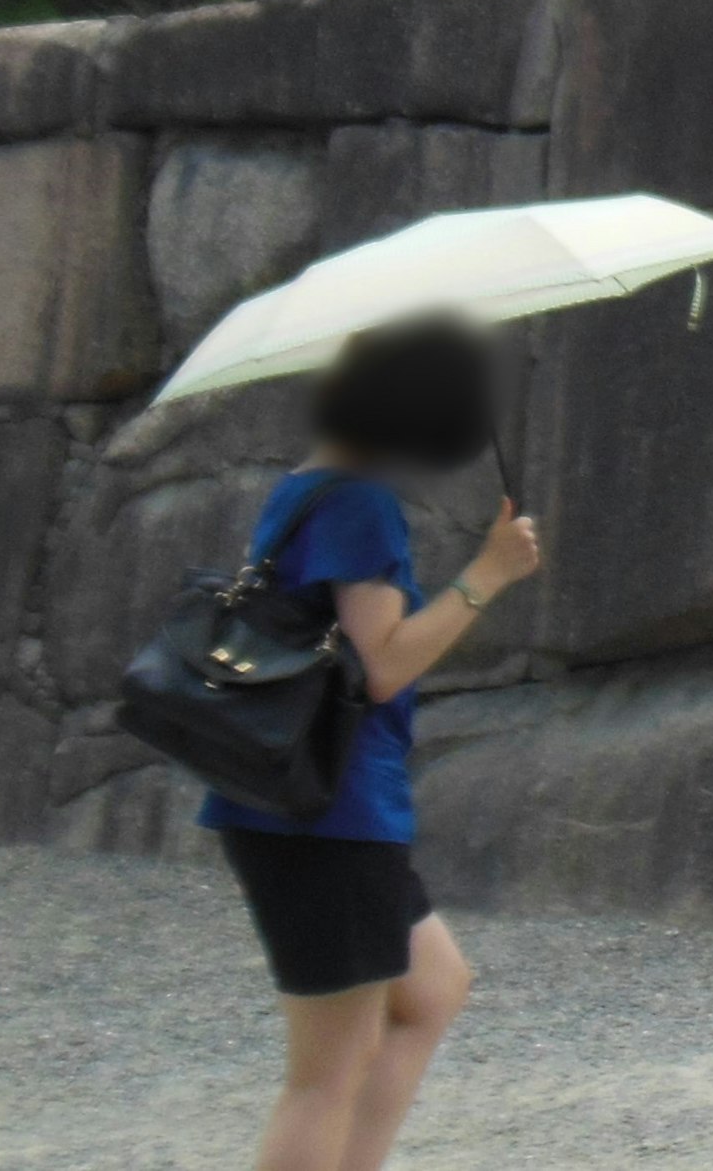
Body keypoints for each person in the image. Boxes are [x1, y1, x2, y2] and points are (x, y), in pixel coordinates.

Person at [204, 315, 543, 1171]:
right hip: (328, 813)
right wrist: (488, 575)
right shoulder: (358, 503)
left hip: (313, 805)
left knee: (432, 989)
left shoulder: (307, 488)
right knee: (326, 1071)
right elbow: (383, 664)